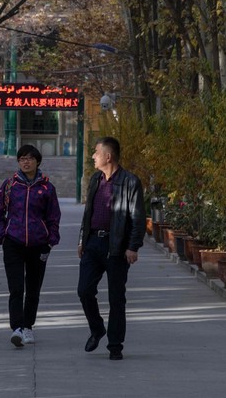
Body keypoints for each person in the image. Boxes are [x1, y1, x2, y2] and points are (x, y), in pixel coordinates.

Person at [77, 136, 145, 361]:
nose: (93, 156)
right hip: (93, 244)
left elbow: (137, 217)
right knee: (84, 290)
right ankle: (97, 329)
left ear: (108, 156)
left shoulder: (130, 182)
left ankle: (115, 345)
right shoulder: (95, 179)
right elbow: (88, 214)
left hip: (117, 247)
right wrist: (82, 240)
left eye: (96, 152)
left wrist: (133, 247)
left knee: (116, 297)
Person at [0, 144, 61, 348]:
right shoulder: (9, 185)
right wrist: (1, 235)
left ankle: (28, 325)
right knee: (16, 288)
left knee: (33, 289)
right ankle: (17, 328)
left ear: (37, 161)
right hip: (13, 242)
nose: (26, 162)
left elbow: (53, 216)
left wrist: (51, 240)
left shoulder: (47, 188)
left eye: (30, 158)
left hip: (38, 244)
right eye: (22, 158)